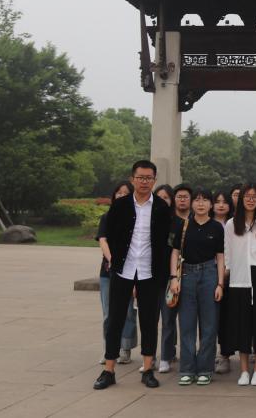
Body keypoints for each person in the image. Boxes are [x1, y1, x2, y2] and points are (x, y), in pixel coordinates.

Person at [94, 160, 172, 391]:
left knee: (149, 321)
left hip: (149, 272)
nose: (144, 182)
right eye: (140, 177)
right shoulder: (120, 206)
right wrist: (114, 259)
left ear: (154, 180)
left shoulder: (161, 207)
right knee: (115, 320)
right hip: (123, 269)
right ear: (132, 179)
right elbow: (109, 235)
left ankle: (147, 370)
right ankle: (109, 370)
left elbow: (166, 242)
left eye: (149, 178)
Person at [169, 188, 225, 386]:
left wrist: (220, 283)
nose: (201, 204)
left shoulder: (217, 227)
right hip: (187, 275)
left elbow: (220, 257)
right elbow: (175, 252)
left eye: (205, 200)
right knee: (187, 324)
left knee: (209, 325)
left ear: (211, 204)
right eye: (197, 200)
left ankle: (205, 369)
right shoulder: (183, 225)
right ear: (192, 203)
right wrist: (173, 278)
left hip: (210, 274)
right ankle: (187, 369)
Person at [224, 183, 256, 387]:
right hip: (239, 278)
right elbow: (228, 253)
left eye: (255, 196)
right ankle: (244, 370)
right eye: (247, 196)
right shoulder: (231, 224)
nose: (251, 200)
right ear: (241, 199)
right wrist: (226, 275)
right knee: (243, 325)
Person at [95, 182, 138, 366]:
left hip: (130, 272)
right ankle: (109, 350)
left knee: (127, 311)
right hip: (108, 272)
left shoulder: (137, 218)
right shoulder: (107, 217)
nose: (121, 195)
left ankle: (125, 348)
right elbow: (103, 240)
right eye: (118, 193)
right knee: (108, 313)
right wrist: (112, 258)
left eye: (125, 193)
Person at [158, 184, 192, 373]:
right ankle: (165, 355)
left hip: (187, 274)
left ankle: (183, 355)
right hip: (164, 276)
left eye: (166, 197)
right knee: (167, 318)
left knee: (186, 320)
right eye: (160, 197)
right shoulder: (161, 221)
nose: (163, 201)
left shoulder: (189, 221)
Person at [211, 188, 235, 375]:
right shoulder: (205, 222)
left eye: (224, 201)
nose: (221, 205)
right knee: (209, 318)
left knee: (226, 318)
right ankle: (207, 354)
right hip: (208, 274)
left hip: (230, 277)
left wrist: (227, 270)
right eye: (217, 201)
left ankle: (224, 355)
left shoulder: (234, 225)